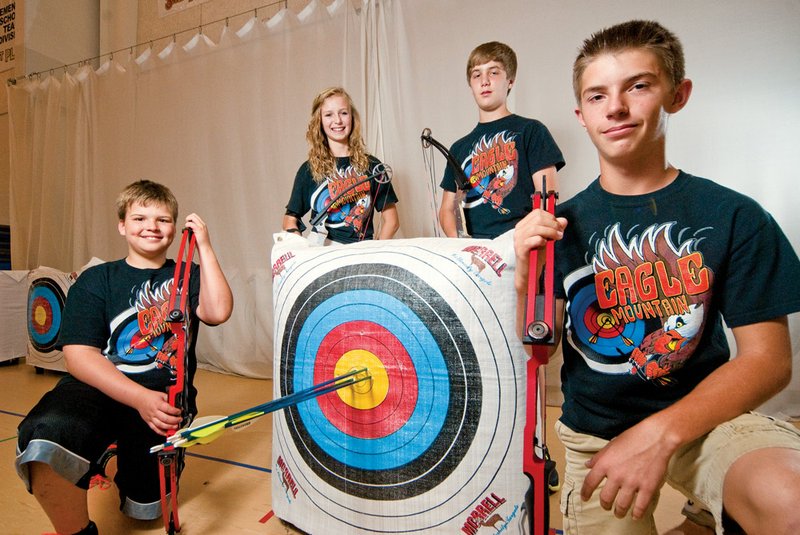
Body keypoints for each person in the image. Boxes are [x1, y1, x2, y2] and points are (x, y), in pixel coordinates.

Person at [513, 19, 800, 535]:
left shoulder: (734, 215)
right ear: (582, 115)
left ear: (678, 94)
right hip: (596, 435)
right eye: (597, 96)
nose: (616, 108)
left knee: (791, 497)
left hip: (706, 419)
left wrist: (660, 435)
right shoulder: (558, 227)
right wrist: (524, 274)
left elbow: (770, 361)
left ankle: (707, 506)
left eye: (638, 86)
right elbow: (541, 348)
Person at [16, 180, 234, 535]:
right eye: (139, 218)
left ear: (175, 228)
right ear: (122, 226)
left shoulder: (187, 275)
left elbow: (218, 311)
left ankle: (110, 456)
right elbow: (79, 356)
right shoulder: (97, 279)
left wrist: (205, 247)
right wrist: (138, 398)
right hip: (98, 389)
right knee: (47, 436)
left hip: (163, 401)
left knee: (145, 510)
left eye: (163, 220)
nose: (151, 226)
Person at [438, 41, 565, 239]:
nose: (484, 81)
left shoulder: (531, 131)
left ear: (510, 81)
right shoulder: (458, 148)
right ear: (470, 85)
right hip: (473, 255)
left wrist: (525, 244)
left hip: (520, 246)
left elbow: (547, 200)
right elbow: (447, 210)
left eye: (494, 72)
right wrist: (460, 247)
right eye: (477, 74)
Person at [283, 86, 399, 244]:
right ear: (319, 121)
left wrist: (374, 254)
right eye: (328, 114)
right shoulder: (308, 169)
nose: (337, 120)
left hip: (362, 253)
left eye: (343, 113)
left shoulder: (372, 166)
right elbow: (290, 220)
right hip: (323, 251)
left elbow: (392, 221)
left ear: (352, 117)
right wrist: (301, 251)